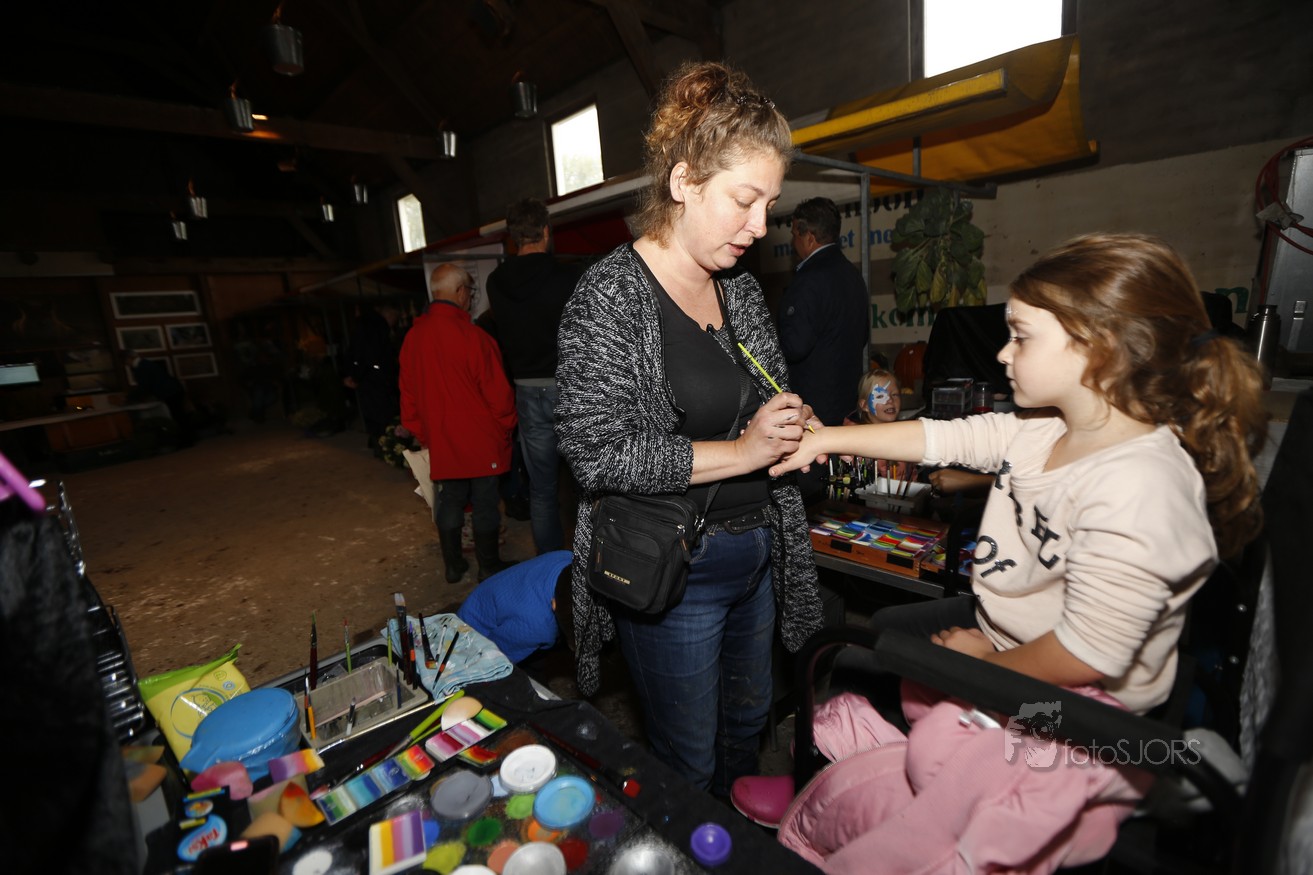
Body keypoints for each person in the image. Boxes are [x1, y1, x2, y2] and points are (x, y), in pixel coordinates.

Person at [736, 232, 1268, 833]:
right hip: (1010, 632)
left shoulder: (1140, 485)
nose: (1002, 353)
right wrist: (828, 439)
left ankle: (896, 799)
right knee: (877, 638)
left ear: (1098, 349)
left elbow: (1091, 651)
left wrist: (989, 664)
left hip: (1081, 706)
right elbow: (948, 437)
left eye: (1021, 337)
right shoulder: (1047, 427)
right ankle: (838, 772)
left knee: (885, 664)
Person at [555, 60, 825, 798]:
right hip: (676, 571)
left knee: (747, 728)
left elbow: (769, 394)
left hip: (756, 554)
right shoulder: (610, 296)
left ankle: (736, 841)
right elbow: (597, 453)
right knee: (687, 762)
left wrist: (791, 422)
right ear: (683, 182)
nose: (760, 226)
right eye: (744, 200)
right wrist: (741, 450)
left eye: (769, 205)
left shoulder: (740, 290)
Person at [400, 264, 518, 583]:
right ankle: (488, 566)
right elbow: (500, 396)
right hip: (481, 440)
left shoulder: (413, 338)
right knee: (485, 503)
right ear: (461, 292)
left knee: (450, 499)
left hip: (442, 439)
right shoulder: (475, 337)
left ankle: (453, 566)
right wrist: (506, 429)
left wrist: (425, 435)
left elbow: (408, 397)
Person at [486, 197, 581, 554]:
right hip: (570, 389)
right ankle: (588, 563)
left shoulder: (496, 283)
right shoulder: (567, 277)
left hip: (526, 391)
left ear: (513, 237)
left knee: (541, 490)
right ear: (545, 231)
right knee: (587, 484)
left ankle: (550, 568)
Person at [778, 197, 870, 428]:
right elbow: (863, 336)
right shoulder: (853, 275)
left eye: (795, 234)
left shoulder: (808, 280)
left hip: (814, 410)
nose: (793, 242)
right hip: (848, 403)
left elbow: (794, 346)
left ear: (809, 237)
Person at [456, 550, 574, 663]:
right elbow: (496, 656)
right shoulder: (537, 627)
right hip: (471, 639)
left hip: (485, 600)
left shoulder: (569, 559)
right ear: (553, 604)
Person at [343, 302, 401, 458]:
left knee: (373, 413)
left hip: (368, 378)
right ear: (389, 315)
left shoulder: (364, 326)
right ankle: (383, 445)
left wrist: (353, 374)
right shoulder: (376, 327)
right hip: (376, 379)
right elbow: (369, 355)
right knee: (382, 413)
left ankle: (379, 443)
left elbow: (355, 352)